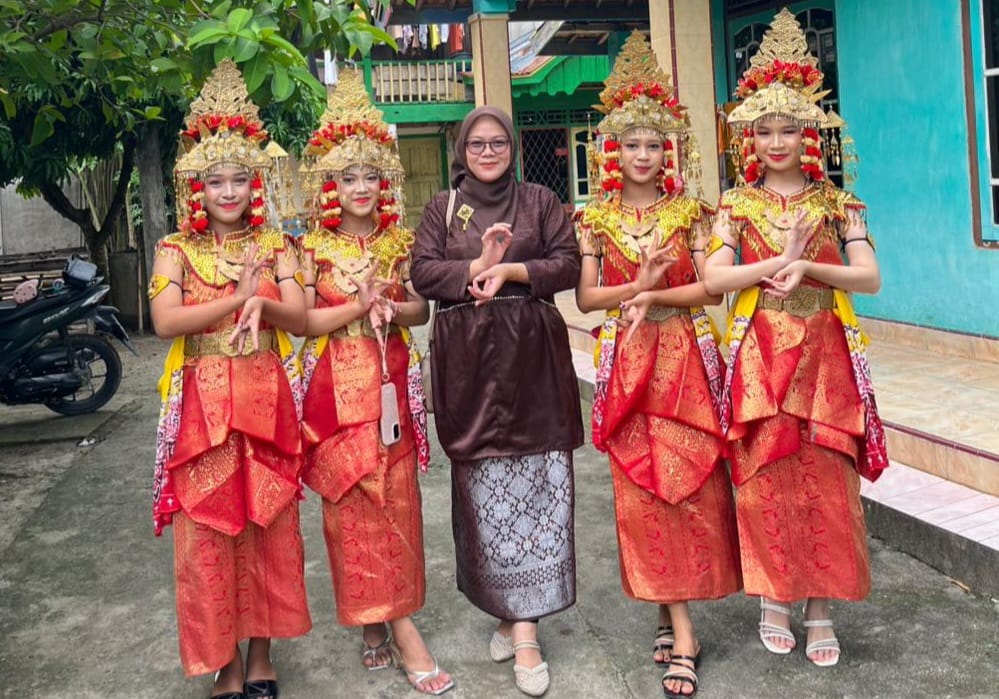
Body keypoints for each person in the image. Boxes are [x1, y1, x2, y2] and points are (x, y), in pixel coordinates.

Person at [703, 9, 886, 669]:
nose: (775, 141)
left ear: (810, 134)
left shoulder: (840, 204)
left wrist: (808, 265)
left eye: (788, 128)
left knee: (826, 481)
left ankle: (820, 606)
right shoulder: (734, 204)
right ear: (748, 139)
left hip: (825, 355)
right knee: (764, 476)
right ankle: (773, 595)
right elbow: (712, 276)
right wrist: (773, 261)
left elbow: (868, 277)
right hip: (759, 354)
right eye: (763, 130)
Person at [574, 31, 742, 698]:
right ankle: (676, 618)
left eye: (653, 143)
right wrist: (630, 290)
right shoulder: (594, 219)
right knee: (640, 490)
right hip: (627, 360)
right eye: (630, 143)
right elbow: (587, 298)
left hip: (681, 359)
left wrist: (649, 290)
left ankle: (678, 613)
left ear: (666, 148)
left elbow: (712, 288)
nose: (642, 154)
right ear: (611, 149)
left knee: (691, 483)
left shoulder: (691, 214)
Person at [148, 59, 310, 699]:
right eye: (216, 181)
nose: (229, 191)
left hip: (267, 396)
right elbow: (165, 322)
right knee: (209, 531)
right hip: (203, 404)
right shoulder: (174, 249)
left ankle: (263, 651)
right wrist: (233, 299)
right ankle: (224, 659)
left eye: (240, 179)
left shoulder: (276, 243)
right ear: (198, 188)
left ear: (254, 185)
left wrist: (262, 303)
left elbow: (298, 321)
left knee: (267, 522)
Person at [410, 106, 584, 697]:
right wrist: (474, 266)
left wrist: (510, 269)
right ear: (462, 150)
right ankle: (507, 609)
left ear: (513, 146)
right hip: (471, 368)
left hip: (533, 363)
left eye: (499, 142)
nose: (488, 152)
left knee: (539, 482)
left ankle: (528, 630)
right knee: (484, 491)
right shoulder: (442, 208)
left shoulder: (540, 201)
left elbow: (568, 264)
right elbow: (423, 274)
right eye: (478, 143)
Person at [296, 69, 452, 696]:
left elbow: (420, 309)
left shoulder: (399, 242)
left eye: (369, 176)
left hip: (390, 381)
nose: (360, 188)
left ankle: (391, 616)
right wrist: (358, 308)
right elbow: (305, 322)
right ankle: (383, 623)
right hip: (335, 385)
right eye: (346, 177)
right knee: (349, 507)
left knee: (399, 501)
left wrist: (391, 305)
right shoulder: (308, 248)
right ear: (328, 185)